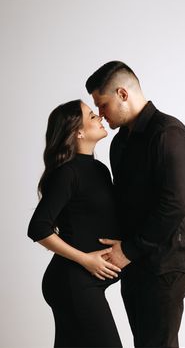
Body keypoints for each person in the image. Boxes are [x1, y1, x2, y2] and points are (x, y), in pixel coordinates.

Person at [85, 61, 185, 348]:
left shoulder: (169, 133)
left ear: (123, 94)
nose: (100, 115)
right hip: (135, 263)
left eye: (102, 105)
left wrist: (128, 250)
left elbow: (174, 206)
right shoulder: (120, 143)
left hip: (166, 264)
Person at [27, 99, 123, 348]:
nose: (100, 117)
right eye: (92, 116)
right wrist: (86, 259)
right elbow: (38, 227)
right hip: (74, 282)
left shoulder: (100, 170)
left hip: (80, 283)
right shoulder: (68, 173)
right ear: (78, 132)